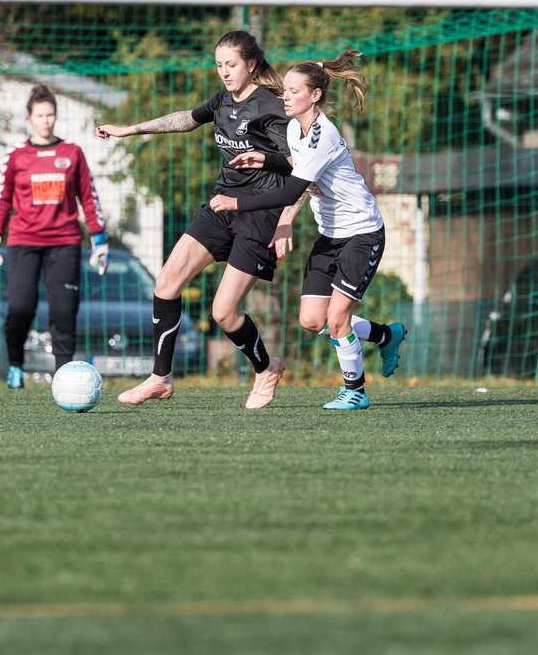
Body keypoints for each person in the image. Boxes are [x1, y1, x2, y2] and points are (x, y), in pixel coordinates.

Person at [95, 30, 291, 409]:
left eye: (231, 64)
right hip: (220, 206)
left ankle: (266, 369)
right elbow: (186, 119)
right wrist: (130, 130)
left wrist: (285, 211)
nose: (224, 72)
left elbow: (300, 162)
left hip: (259, 213)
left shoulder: (271, 106)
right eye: (218, 65)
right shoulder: (222, 100)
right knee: (166, 282)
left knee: (223, 312)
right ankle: (160, 378)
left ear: (251, 64)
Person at [209, 51, 406, 411]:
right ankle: (386, 335)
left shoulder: (323, 134)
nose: (285, 96)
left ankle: (355, 391)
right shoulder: (292, 128)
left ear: (314, 96)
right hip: (330, 235)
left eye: (294, 90)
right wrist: (265, 159)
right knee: (312, 320)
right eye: (284, 89)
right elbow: (294, 165)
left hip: (361, 233)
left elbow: (290, 189)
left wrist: (236, 203)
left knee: (336, 320)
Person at [0, 84, 109, 390]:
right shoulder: (16, 156)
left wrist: (99, 238)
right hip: (23, 241)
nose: (46, 120)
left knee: (64, 309)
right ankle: (15, 365)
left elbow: (88, 198)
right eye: (40, 115)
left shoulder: (72, 153)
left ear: (56, 116)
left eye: (50, 114)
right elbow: (2, 200)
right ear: (30, 117)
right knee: (21, 307)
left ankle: (64, 377)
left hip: (64, 241)